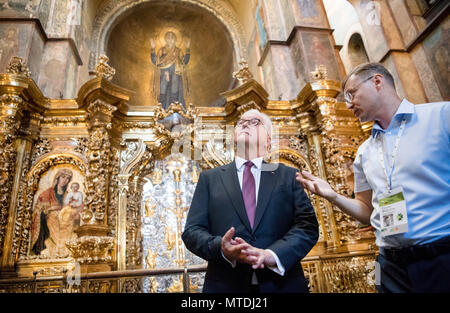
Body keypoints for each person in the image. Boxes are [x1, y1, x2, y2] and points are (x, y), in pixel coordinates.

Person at [296, 62, 450, 293]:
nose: (348, 105)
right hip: (389, 263)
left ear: (377, 81)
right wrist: (332, 195)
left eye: (351, 93)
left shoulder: (441, 117)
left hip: (440, 254)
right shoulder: (364, 152)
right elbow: (367, 210)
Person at [182, 109, 319, 293]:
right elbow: (192, 231)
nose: (245, 123)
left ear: (268, 140)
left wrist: (272, 255)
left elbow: (307, 226)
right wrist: (221, 248)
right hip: (226, 286)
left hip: (282, 285)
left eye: (255, 122)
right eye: (241, 122)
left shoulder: (287, 175)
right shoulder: (209, 179)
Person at [31, 168, 73, 257]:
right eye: (63, 177)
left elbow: (71, 208)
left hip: (64, 218)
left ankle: (65, 247)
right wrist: (50, 209)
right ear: (57, 178)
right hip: (49, 219)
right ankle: (60, 247)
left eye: (67, 178)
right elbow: (38, 211)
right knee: (53, 216)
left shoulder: (67, 194)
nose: (65, 180)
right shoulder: (47, 193)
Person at [150, 31, 190, 110]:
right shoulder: (162, 50)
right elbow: (156, 61)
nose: (170, 40)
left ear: (175, 40)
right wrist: (153, 48)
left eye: (172, 38)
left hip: (176, 73)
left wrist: (188, 49)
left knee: (175, 84)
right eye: (168, 38)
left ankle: (174, 107)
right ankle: (161, 107)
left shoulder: (178, 51)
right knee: (163, 85)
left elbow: (184, 62)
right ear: (165, 40)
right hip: (164, 73)